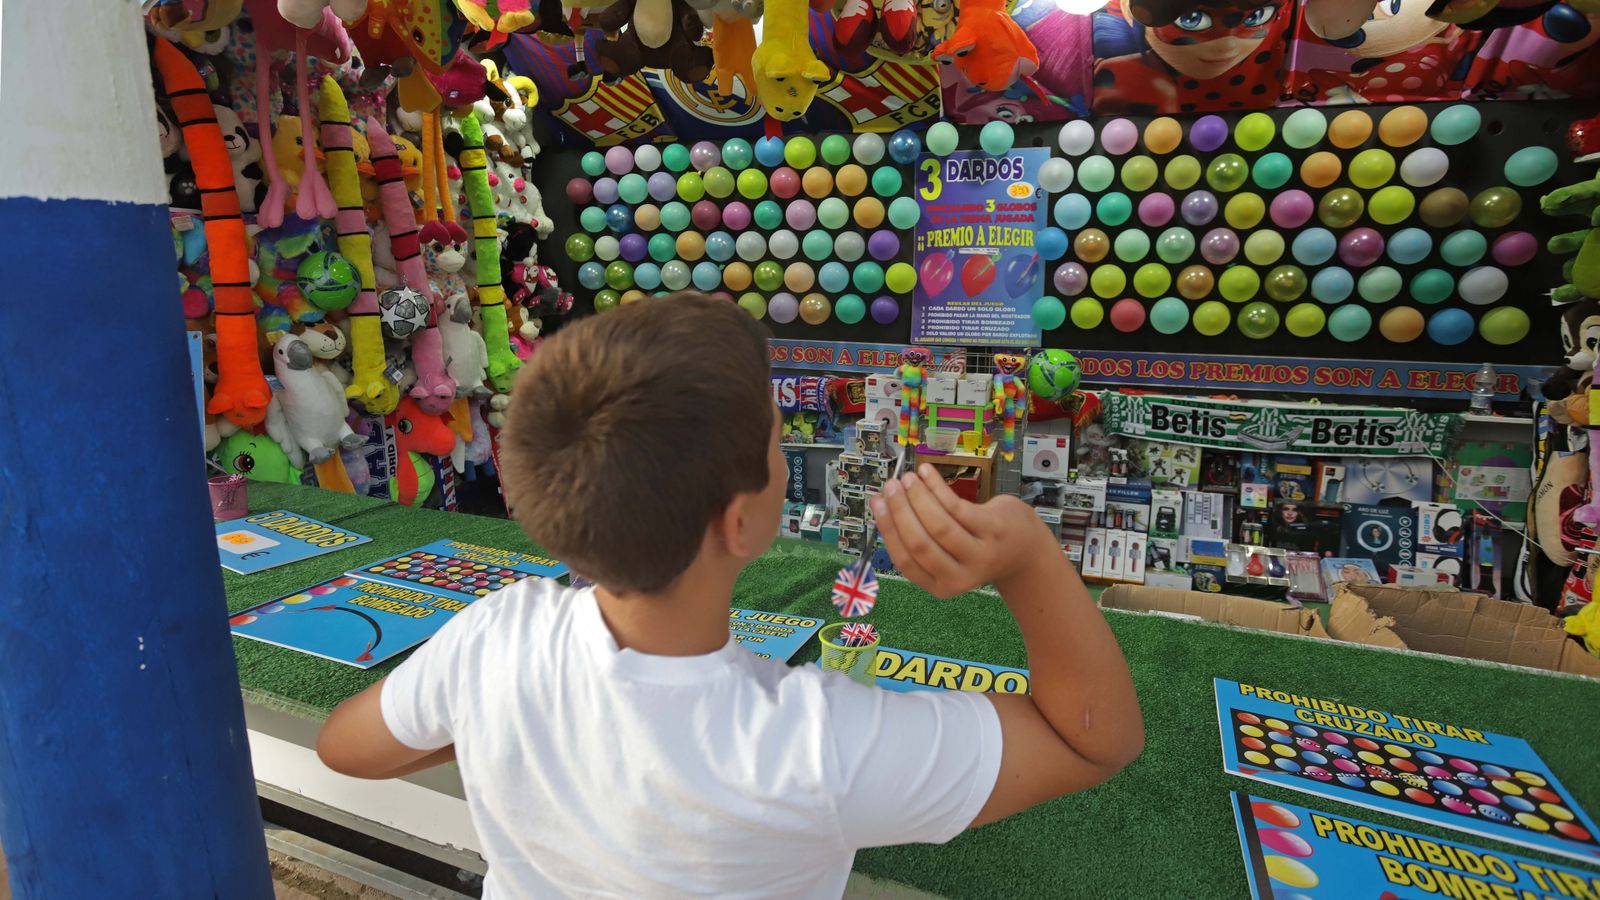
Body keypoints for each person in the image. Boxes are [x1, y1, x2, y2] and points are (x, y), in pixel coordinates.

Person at [315, 293, 1144, 898]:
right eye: (777, 442)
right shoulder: (813, 746)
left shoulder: (493, 638)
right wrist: (1028, 555)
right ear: (740, 522)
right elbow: (1092, 743)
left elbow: (347, 748)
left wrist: (504, 726)